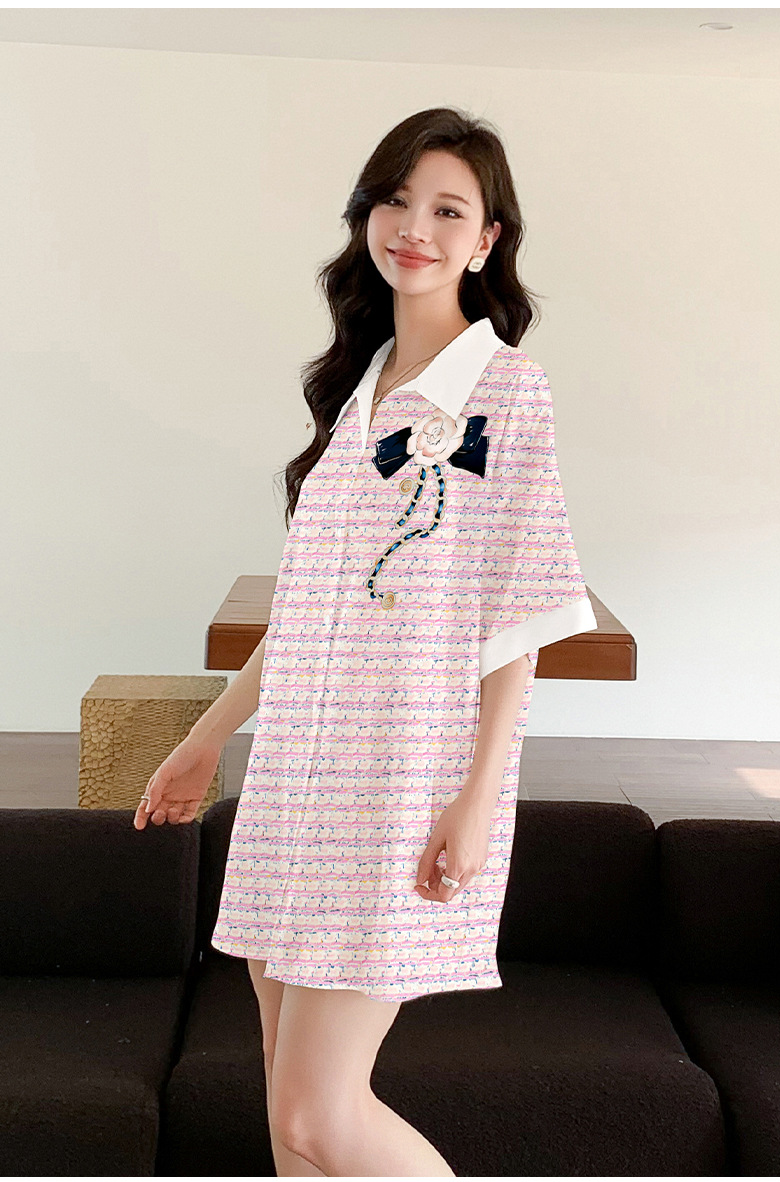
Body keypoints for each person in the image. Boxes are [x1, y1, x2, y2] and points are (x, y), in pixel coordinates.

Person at [133, 106, 597, 1177]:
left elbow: (519, 615)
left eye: (448, 210)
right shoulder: (357, 392)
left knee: (319, 1118)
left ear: (486, 241)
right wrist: (207, 738)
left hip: (398, 783)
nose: (415, 228)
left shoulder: (506, 390)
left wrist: (478, 796)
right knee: (285, 1108)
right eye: (396, 200)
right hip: (297, 780)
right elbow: (308, 612)